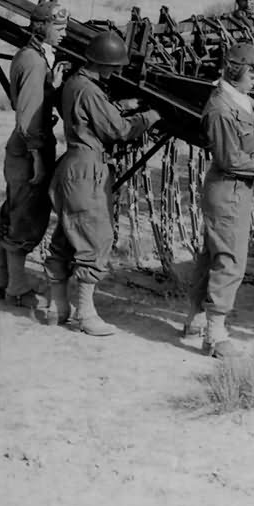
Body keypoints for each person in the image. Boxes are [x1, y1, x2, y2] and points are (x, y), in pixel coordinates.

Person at [181, 41, 254, 358]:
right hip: (228, 188)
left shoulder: (240, 100)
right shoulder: (221, 109)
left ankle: (195, 317)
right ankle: (215, 335)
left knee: (212, 256)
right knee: (230, 260)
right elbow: (231, 160)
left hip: (234, 190)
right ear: (237, 71)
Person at [40, 29, 160, 334]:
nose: (117, 72)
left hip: (73, 164)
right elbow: (117, 130)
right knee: (95, 235)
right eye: (115, 66)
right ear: (105, 64)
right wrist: (150, 117)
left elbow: (98, 115)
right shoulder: (90, 90)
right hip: (88, 168)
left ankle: (57, 307)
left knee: (69, 233)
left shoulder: (76, 83)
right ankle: (86, 314)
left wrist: (126, 105)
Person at [0, 0, 69, 306]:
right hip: (29, 147)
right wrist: (37, 154)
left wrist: (52, 84)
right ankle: (17, 288)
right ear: (41, 26)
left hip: (20, 146)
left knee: (12, 209)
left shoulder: (30, 55)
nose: (62, 33)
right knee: (28, 214)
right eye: (58, 27)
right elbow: (29, 114)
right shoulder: (35, 63)